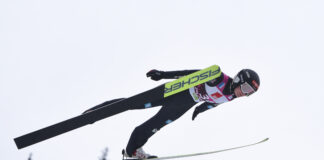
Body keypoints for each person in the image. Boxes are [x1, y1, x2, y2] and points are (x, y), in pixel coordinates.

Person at [83, 67, 260, 159]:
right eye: (245, 88)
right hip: (176, 92)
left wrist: (199, 110)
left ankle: (133, 151)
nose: (244, 93)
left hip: (184, 105)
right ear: (238, 79)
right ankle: (96, 112)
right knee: (133, 103)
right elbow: (190, 73)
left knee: (153, 126)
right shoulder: (218, 77)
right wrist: (163, 74)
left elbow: (214, 103)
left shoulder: (232, 97)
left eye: (249, 93)